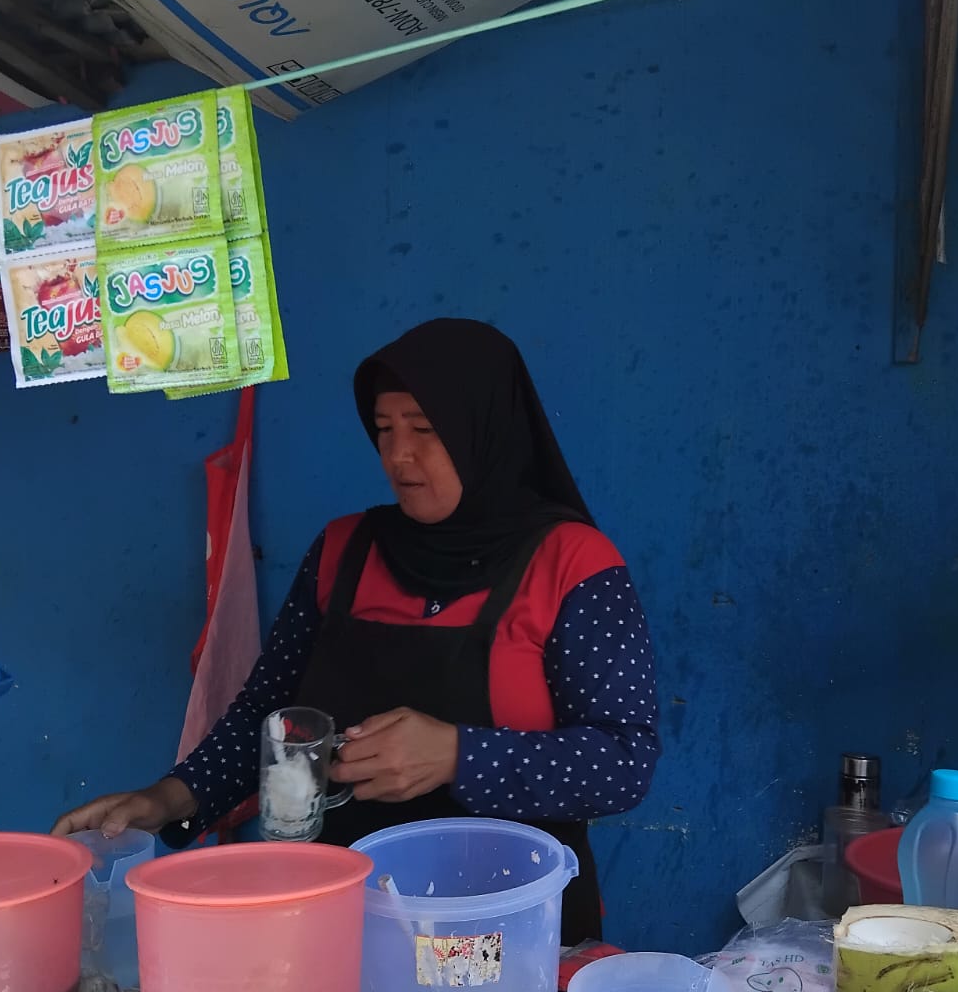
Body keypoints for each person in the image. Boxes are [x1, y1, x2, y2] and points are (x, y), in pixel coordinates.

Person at [53, 318, 661, 943]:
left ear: (487, 432)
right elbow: (269, 715)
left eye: (426, 431)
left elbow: (623, 762)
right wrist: (170, 798)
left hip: (501, 930)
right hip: (337, 919)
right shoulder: (344, 552)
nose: (399, 455)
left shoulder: (573, 564)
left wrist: (457, 754)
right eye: (383, 429)